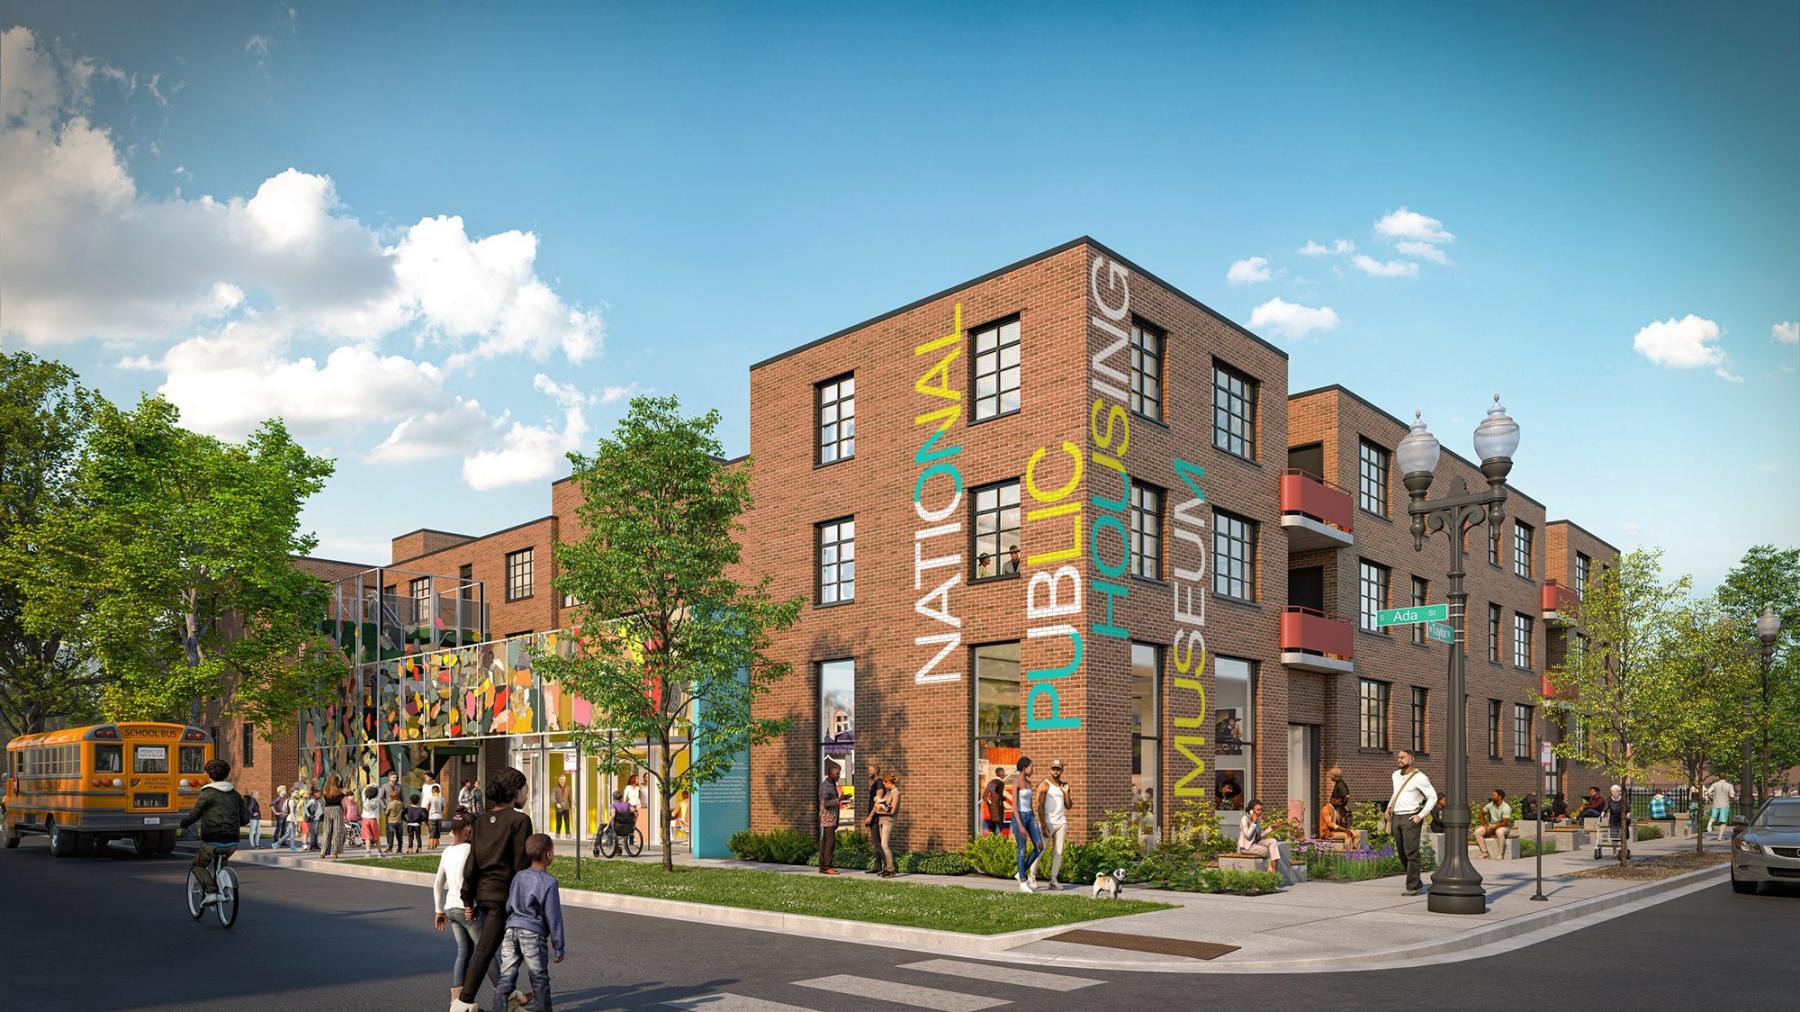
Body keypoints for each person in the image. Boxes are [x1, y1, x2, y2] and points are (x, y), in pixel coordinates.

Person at [451, 767, 533, 1012]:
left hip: (482, 894)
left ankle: (508, 1001)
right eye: (525, 788)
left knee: (496, 950)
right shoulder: (520, 821)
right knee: (487, 950)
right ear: (515, 791)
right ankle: (463, 1003)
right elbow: (521, 865)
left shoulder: (481, 820)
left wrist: (468, 899)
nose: (527, 792)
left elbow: (471, 864)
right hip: (504, 896)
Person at [494, 834, 565, 1012]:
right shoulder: (549, 882)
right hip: (532, 933)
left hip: (511, 931)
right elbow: (553, 915)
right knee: (539, 979)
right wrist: (558, 946)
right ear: (549, 855)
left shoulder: (519, 876)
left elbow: (509, 904)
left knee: (506, 977)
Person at [435, 810, 498, 1008]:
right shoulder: (471, 851)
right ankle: (507, 993)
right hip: (468, 910)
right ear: (469, 830)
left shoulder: (447, 851)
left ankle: (456, 1000)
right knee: (485, 951)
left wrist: (439, 910)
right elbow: (472, 881)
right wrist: (472, 904)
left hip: (451, 909)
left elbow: (438, 882)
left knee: (464, 952)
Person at [178, 758, 248, 907]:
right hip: (232, 841)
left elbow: (195, 814)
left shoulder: (207, 794)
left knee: (198, 865)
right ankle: (225, 889)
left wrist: (183, 824)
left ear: (209, 775)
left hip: (212, 840)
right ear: (227, 774)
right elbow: (245, 819)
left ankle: (211, 892)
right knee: (221, 865)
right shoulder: (235, 795)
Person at [1386, 749, 1437, 896]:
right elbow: (1396, 792)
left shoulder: (1420, 777)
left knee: (1411, 852)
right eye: (1398, 757)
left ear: (1411, 759)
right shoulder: (1395, 775)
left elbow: (1432, 797)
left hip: (1411, 818)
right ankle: (1417, 882)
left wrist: (1420, 816)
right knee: (1401, 853)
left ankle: (1413, 887)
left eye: (1402, 757)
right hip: (1396, 817)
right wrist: (1389, 806)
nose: (1399, 760)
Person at [1237, 799, 1298, 885]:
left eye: (1261, 809)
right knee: (1270, 851)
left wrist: (1271, 828)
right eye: (1258, 809)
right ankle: (1272, 875)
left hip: (1255, 844)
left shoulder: (1257, 820)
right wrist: (1253, 823)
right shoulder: (1245, 819)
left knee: (1273, 841)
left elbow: (1259, 837)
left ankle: (1273, 872)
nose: (1260, 811)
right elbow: (1247, 835)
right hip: (1246, 848)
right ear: (1251, 810)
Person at [1032, 760, 1071, 889]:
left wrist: (1066, 792)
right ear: (1050, 769)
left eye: (1058, 769)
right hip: (1048, 822)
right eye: (1054, 768)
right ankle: (1031, 877)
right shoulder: (1045, 784)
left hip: (1061, 823)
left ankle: (1053, 881)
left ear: (1061, 770)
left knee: (1058, 852)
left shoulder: (1063, 785)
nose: (1056, 771)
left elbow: (1069, 806)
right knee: (1040, 850)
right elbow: (1039, 806)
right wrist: (1043, 825)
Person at [1010, 756, 1043, 893]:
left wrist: (1034, 820)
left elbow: (1029, 804)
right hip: (1019, 817)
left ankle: (1020, 872)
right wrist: (1020, 825)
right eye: (1031, 767)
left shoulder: (1029, 784)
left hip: (1030, 816)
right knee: (1022, 850)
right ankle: (1023, 882)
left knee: (1040, 846)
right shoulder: (1016, 782)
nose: (1033, 769)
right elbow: (1014, 806)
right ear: (1024, 768)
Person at [870, 773, 898, 877]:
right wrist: (879, 806)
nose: (884, 786)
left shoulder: (896, 793)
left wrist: (880, 809)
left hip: (888, 821)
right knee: (883, 845)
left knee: (884, 845)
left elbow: (892, 811)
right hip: (882, 820)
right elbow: (878, 807)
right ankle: (887, 868)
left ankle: (891, 869)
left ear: (888, 782)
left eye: (884, 784)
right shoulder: (888, 793)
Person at [817, 761, 842, 875]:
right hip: (827, 818)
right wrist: (839, 799)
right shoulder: (825, 785)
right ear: (830, 774)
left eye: (839, 773)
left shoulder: (832, 784)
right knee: (830, 841)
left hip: (832, 818)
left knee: (826, 841)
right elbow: (825, 803)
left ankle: (823, 866)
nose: (838, 776)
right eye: (837, 774)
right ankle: (826, 866)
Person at [863, 763, 888, 875]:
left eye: (870, 770)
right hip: (874, 816)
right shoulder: (876, 783)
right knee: (875, 842)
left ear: (876, 771)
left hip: (876, 817)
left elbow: (879, 801)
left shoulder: (879, 783)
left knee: (877, 843)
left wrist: (870, 816)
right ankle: (877, 866)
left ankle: (889, 866)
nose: (869, 771)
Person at [1474, 789, 1512, 859]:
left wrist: (1493, 828)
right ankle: (1485, 853)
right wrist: (1486, 826)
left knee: (1499, 832)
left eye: (1494, 795)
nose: (1492, 797)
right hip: (1491, 825)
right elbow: (1481, 814)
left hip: (1504, 827)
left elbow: (1505, 822)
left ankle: (1500, 854)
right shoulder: (1490, 805)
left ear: (1500, 797)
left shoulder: (1506, 807)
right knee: (1477, 832)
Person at [319, 775, 346, 859]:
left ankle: (323, 852)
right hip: (337, 809)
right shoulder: (340, 791)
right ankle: (335, 852)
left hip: (327, 810)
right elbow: (344, 805)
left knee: (326, 831)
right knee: (337, 831)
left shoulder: (324, 791)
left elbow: (323, 802)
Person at [981, 769, 1006, 837]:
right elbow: (1000, 796)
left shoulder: (991, 783)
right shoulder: (1001, 783)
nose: (1004, 775)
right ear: (1000, 774)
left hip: (992, 808)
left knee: (994, 825)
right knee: (999, 825)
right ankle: (996, 842)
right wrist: (1004, 798)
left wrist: (990, 803)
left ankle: (992, 840)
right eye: (1003, 773)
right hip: (999, 807)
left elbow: (984, 796)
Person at [384, 789, 406, 854]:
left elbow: (386, 813)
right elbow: (403, 809)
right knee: (399, 836)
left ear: (391, 797)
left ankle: (390, 849)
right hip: (399, 822)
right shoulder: (401, 803)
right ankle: (399, 849)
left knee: (390, 836)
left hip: (391, 822)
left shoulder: (390, 804)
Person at [427, 783, 448, 851]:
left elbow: (427, 807)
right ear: (439, 791)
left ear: (432, 792)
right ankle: (435, 844)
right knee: (437, 832)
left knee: (432, 832)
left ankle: (431, 845)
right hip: (439, 816)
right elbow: (444, 808)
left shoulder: (430, 799)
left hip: (432, 817)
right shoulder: (442, 799)